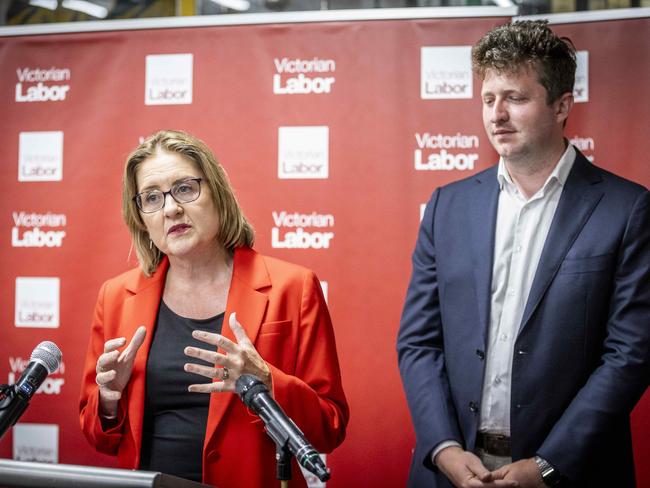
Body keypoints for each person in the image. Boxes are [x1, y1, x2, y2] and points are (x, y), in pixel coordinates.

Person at [397, 20, 649, 488]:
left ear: (561, 106)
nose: (497, 115)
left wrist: (550, 464)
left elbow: (630, 355)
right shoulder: (447, 205)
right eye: (489, 99)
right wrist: (444, 449)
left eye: (515, 97)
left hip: (570, 470)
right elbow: (419, 342)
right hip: (453, 468)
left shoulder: (627, 209)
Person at [79, 130, 349, 487]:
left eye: (185, 188)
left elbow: (329, 427)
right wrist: (110, 398)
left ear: (217, 194)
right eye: (152, 198)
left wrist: (267, 381)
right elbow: (100, 437)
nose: (172, 208)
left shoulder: (293, 288)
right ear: (141, 218)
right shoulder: (116, 297)